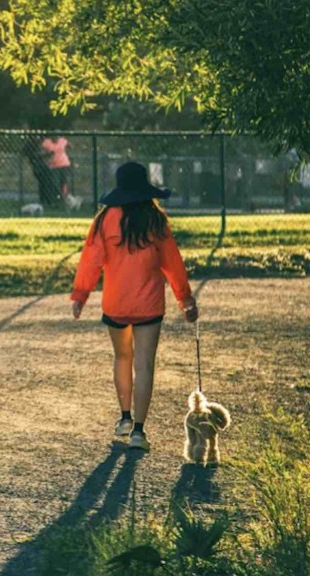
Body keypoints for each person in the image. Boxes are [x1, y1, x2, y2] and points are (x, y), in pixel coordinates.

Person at [70, 161, 199, 451]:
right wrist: (185, 299)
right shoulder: (156, 220)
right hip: (149, 305)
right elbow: (173, 265)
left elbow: (90, 261)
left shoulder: (105, 220)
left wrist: (80, 295)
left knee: (122, 358)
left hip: (116, 302)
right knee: (144, 365)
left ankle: (124, 417)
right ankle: (139, 432)